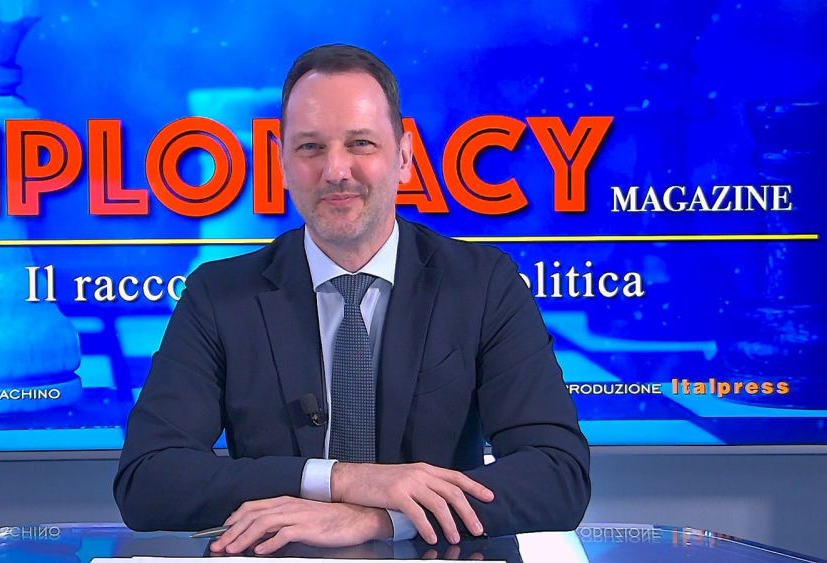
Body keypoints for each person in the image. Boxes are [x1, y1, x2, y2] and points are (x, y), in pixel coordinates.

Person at [114, 44, 590, 555]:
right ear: (281, 162)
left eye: (360, 143)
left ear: (403, 157)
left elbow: (557, 474)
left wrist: (381, 518)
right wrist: (340, 480)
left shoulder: (483, 284)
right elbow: (148, 480)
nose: (336, 170)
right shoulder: (218, 295)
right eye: (310, 147)